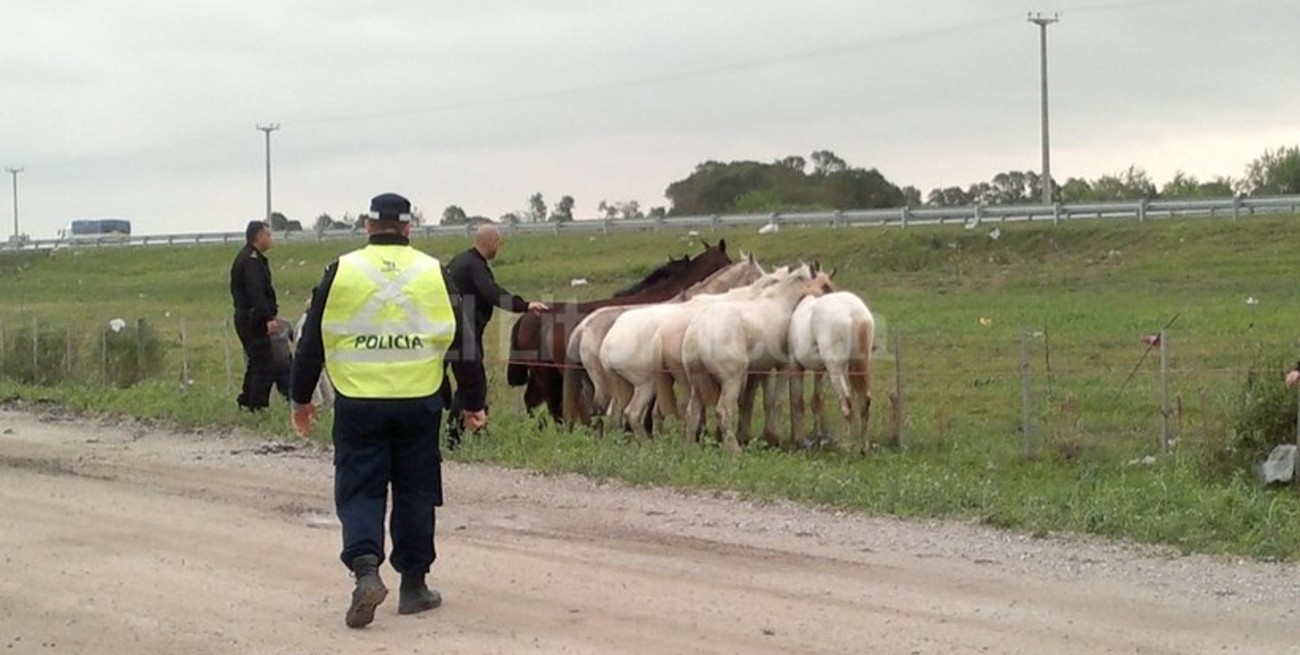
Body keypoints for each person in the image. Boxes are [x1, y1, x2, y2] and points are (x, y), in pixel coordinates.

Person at [290, 192, 487, 630]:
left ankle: (365, 570)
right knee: (416, 490)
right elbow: (464, 343)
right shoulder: (433, 271)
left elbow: (311, 344)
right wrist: (474, 401)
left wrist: (301, 398)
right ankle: (414, 587)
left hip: (359, 401)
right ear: (409, 228)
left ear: (367, 226)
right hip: (420, 402)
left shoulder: (341, 270)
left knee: (360, 487)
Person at [444, 224, 548, 447]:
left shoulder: (461, 261)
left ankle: (457, 435)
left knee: (464, 385)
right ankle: (457, 437)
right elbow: (493, 293)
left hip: (449, 332)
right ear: (490, 242)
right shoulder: (475, 266)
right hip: (464, 335)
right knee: (473, 383)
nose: (499, 247)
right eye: (499, 243)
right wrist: (525, 305)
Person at [229, 220, 280, 411]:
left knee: (256, 360)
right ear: (258, 237)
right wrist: (268, 318)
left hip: (249, 317)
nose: (270, 239)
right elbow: (256, 291)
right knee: (264, 362)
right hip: (253, 318)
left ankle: (246, 401)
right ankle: (257, 405)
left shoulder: (250, 258)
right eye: (268, 235)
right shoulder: (251, 261)